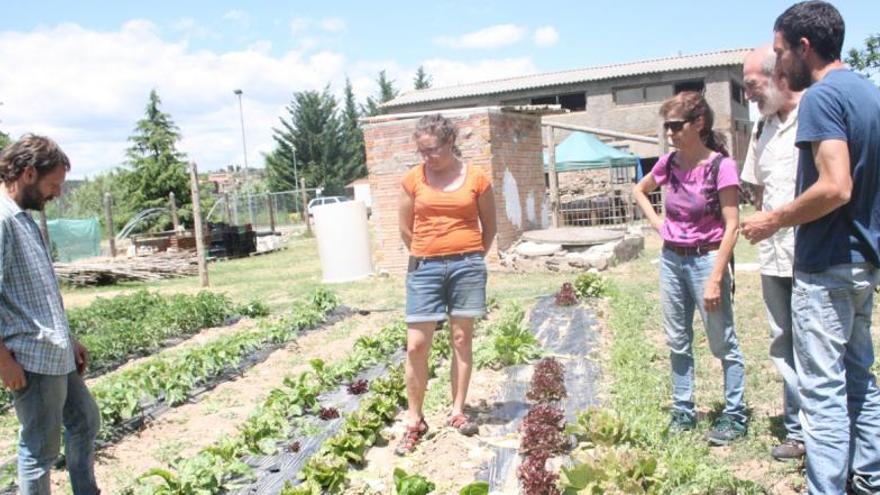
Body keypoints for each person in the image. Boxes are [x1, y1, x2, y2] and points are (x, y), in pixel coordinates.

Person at [742, 2, 880, 492]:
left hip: (826, 267)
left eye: (781, 52)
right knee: (860, 379)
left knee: (822, 392)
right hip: (863, 262)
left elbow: (835, 186)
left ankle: (828, 486)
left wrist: (775, 219)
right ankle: (869, 478)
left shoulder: (822, 98)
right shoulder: (869, 93)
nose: (779, 64)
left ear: (805, 47)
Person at [633, 92, 747, 445]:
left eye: (675, 126)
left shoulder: (720, 166)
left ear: (699, 124)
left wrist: (716, 278)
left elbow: (732, 225)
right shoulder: (668, 163)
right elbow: (640, 190)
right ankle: (683, 410)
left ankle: (735, 415)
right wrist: (658, 225)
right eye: (666, 126)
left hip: (706, 260)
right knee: (677, 340)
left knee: (721, 341)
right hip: (671, 259)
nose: (669, 133)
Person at [0, 135, 101, 495]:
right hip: (32, 357)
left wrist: (69, 340)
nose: (56, 194)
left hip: (54, 351)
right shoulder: (2, 220)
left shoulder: (23, 219)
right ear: (28, 173)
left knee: (85, 420)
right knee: (38, 452)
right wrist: (3, 361)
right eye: (52, 185)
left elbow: (38, 292)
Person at [396, 114, 497, 455]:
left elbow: (490, 227)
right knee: (416, 346)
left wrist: (469, 258)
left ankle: (457, 410)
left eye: (432, 150)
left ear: (450, 142)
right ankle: (415, 419)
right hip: (423, 267)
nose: (426, 157)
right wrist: (429, 252)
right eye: (421, 151)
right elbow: (405, 228)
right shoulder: (413, 179)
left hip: (466, 265)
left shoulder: (478, 179)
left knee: (460, 337)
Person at [741, 44, 805, 461]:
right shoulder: (761, 128)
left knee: (820, 346)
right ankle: (798, 431)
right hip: (774, 255)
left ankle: (833, 431)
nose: (747, 95)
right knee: (783, 341)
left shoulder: (816, 113)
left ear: (778, 75)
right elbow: (758, 188)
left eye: (751, 85)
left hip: (814, 255)